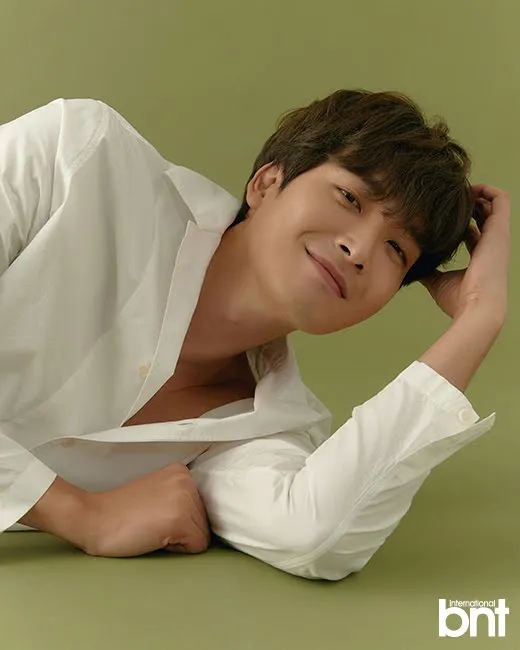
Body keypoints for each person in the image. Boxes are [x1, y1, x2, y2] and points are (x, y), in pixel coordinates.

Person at [0, 90, 509, 580]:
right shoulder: (80, 158)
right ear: (267, 183)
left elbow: (316, 536)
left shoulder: (266, 425)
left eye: (396, 250)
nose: (359, 249)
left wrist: (478, 318)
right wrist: (80, 514)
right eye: (349, 197)